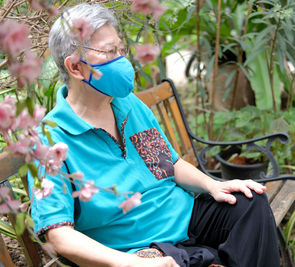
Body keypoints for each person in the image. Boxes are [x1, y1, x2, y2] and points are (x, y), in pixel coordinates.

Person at [28, 3, 280, 267]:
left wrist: (212, 185)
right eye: (109, 52)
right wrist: (127, 262)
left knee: (250, 202)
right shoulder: (49, 140)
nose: (122, 60)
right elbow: (59, 235)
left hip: (185, 218)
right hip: (138, 249)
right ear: (76, 68)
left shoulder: (127, 104)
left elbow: (168, 165)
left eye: (120, 49)